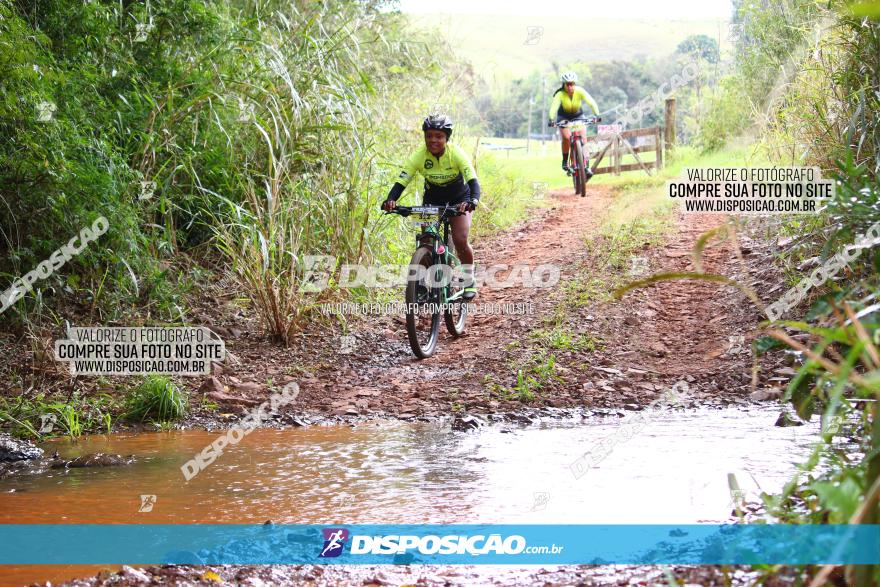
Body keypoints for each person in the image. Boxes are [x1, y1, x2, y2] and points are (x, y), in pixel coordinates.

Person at [381, 114, 481, 301]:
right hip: (432, 198)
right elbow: (402, 181)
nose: (433, 140)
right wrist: (391, 200)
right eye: (429, 136)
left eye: (438, 136)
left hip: (459, 198)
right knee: (426, 241)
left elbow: (473, 180)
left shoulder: (456, 153)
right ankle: (419, 285)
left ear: (446, 138)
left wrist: (473, 200)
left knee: (460, 239)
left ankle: (469, 279)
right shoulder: (419, 156)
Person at [547, 71, 600, 176]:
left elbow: (591, 102)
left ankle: (586, 166)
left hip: (578, 116)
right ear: (564, 85)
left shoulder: (580, 91)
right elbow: (554, 107)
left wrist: (597, 115)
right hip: (563, 117)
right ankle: (565, 162)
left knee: (584, 138)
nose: (570, 86)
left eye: (572, 84)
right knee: (566, 138)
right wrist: (551, 119)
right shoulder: (560, 94)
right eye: (568, 84)